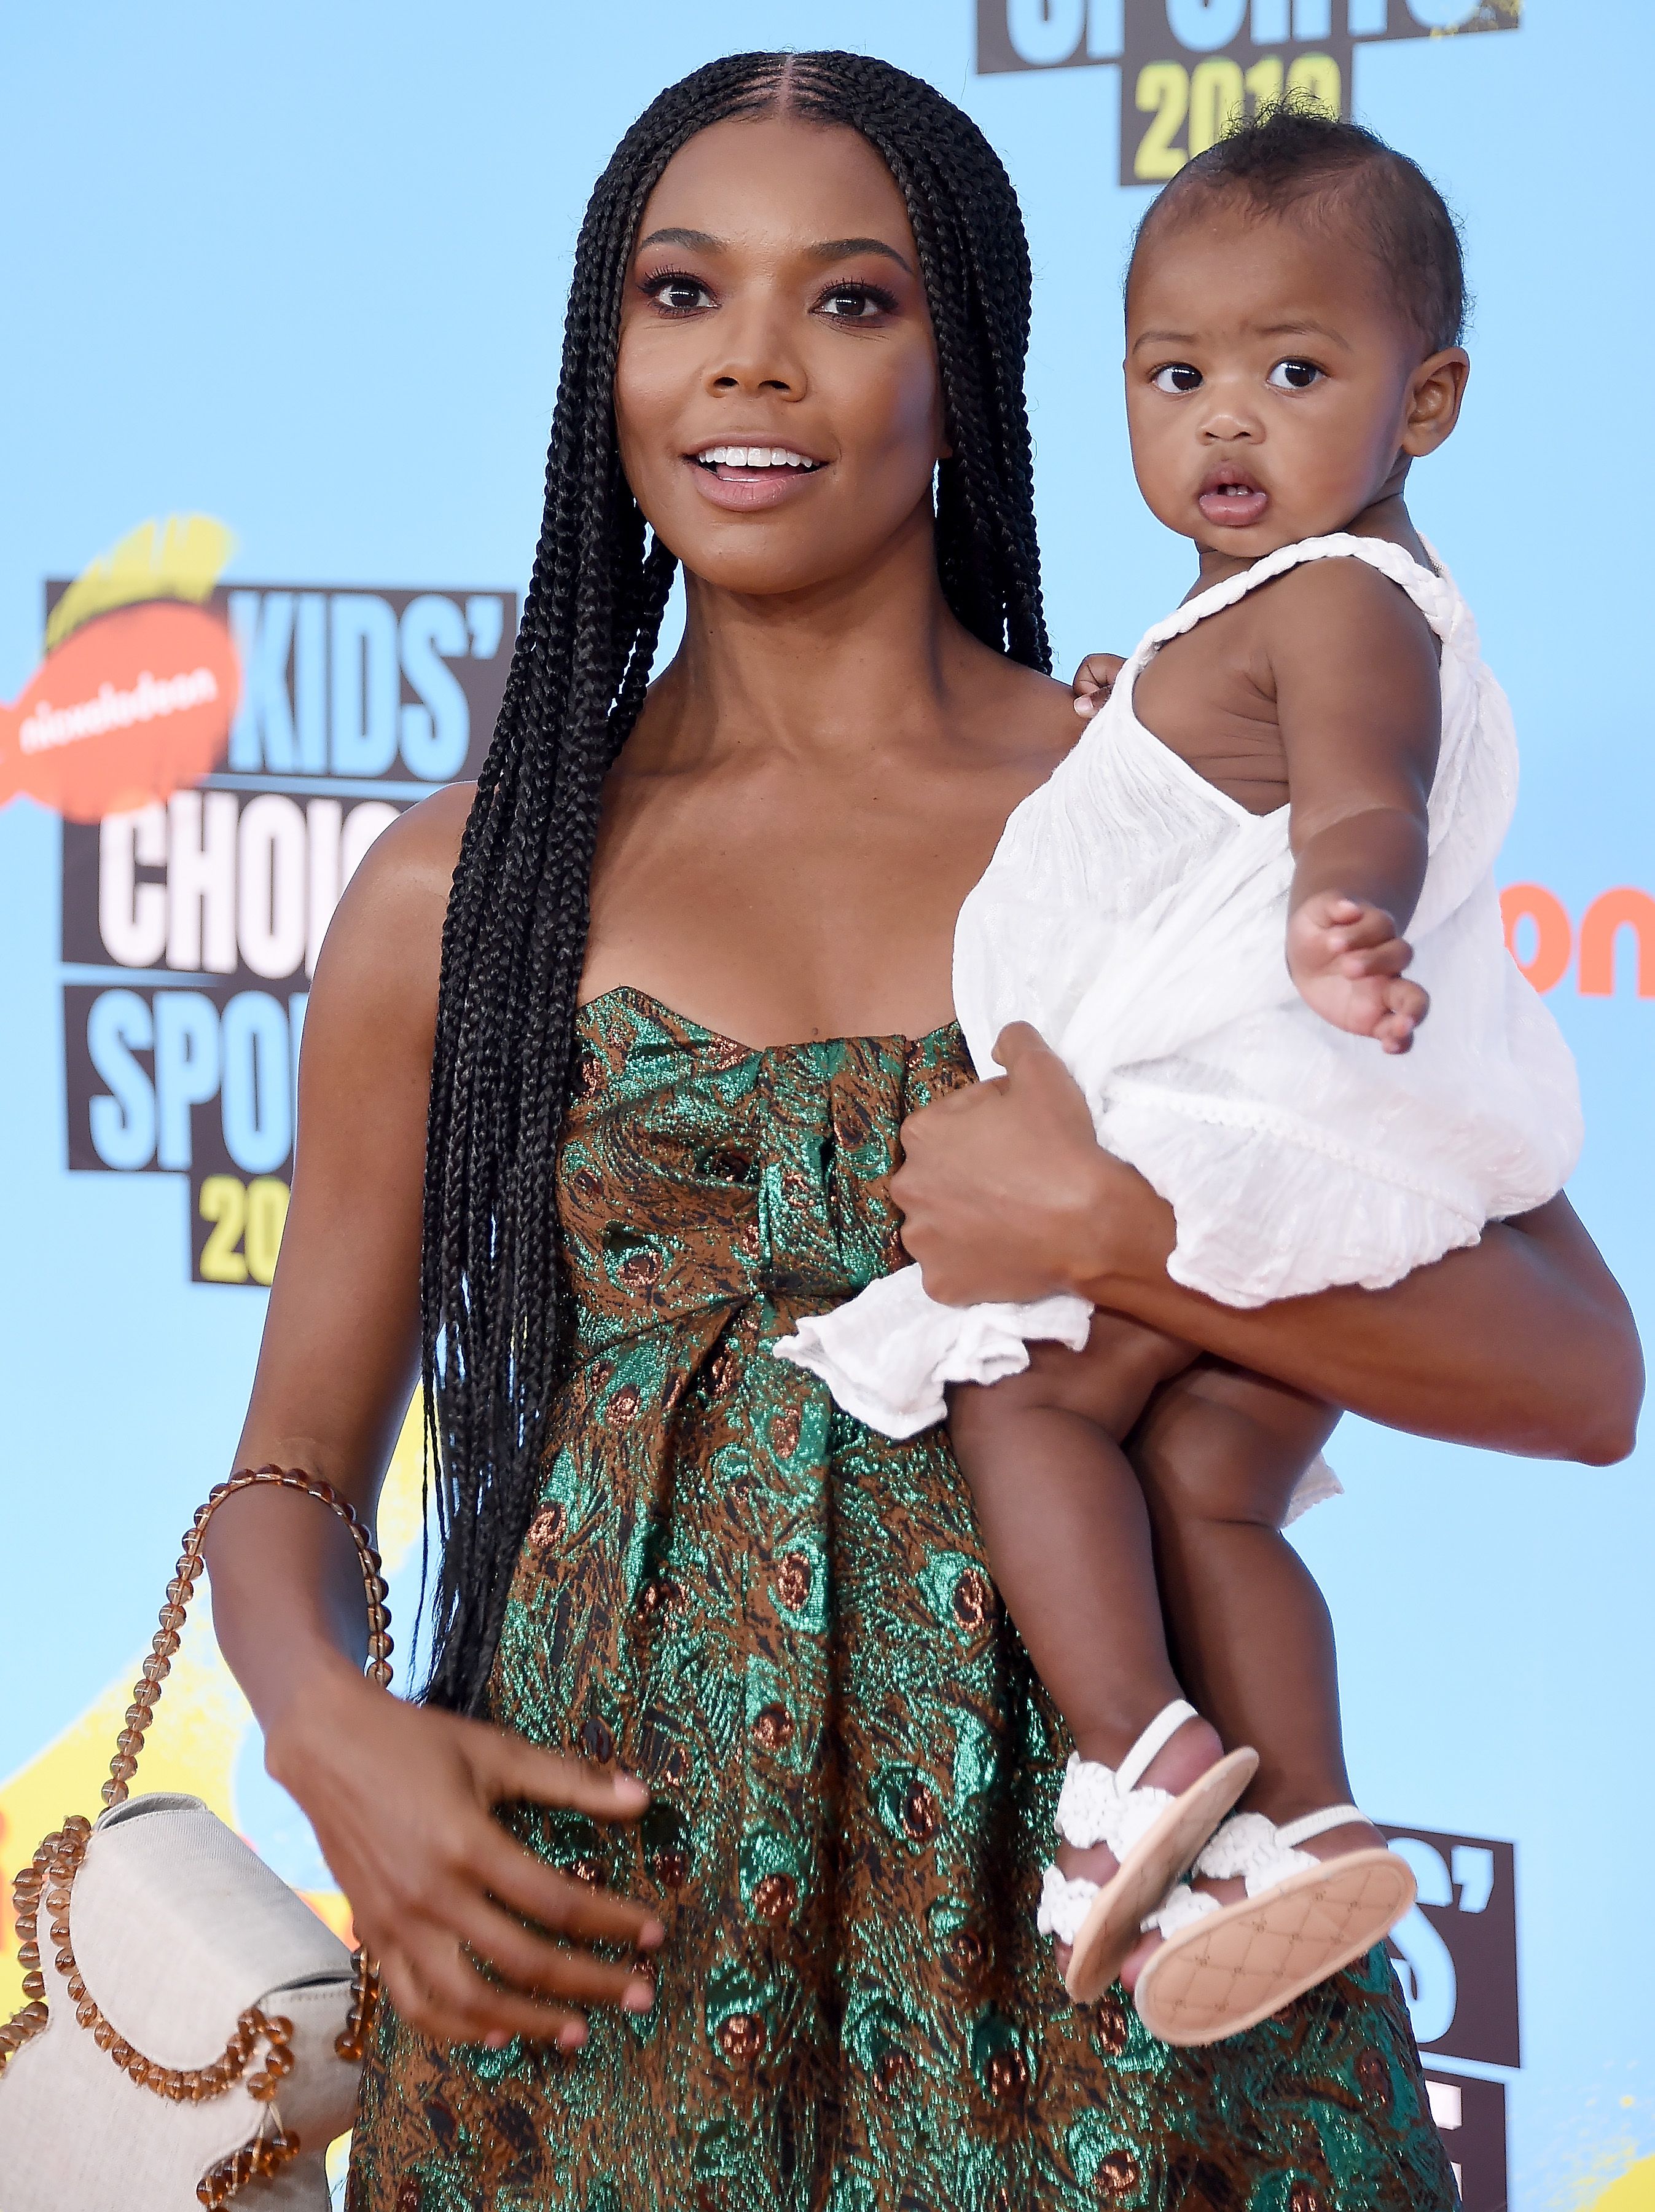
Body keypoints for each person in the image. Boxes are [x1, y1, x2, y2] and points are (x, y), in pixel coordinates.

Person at [200, 50, 1640, 2211]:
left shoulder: (1154, 825)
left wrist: (1114, 1229)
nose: (753, 363)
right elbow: (295, 1465)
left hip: (1125, 1966)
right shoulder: (462, 885)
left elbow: (1581, 1377)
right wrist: (328, 1733)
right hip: (597, 1956)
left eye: (851, 301)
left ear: (975, 367)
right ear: (609, 360)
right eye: (683, 296)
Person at [773, 101, 1587, 2047]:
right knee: (1212, 1480)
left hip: (1239, 1130)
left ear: (1433, 397)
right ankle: (1301, 1830)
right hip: (1330, 1162)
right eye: (1178, 375)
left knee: (1037, 1408)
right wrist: (1134, 725)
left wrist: (1342, 912)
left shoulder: (1339, 603)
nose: (1228, 421)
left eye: (1295, 373)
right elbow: (1233, 778)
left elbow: (1361, 790)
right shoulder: (1267, 611)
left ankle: (1135, 1756)